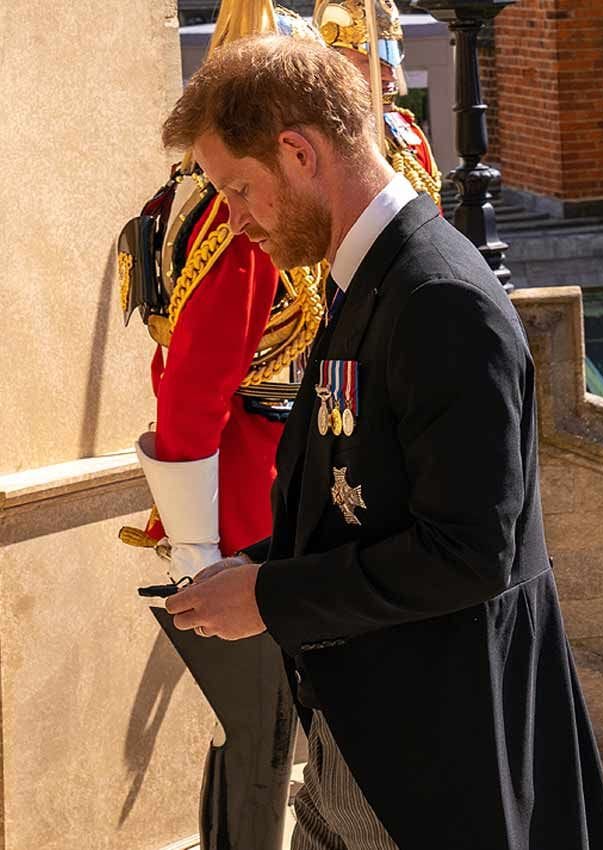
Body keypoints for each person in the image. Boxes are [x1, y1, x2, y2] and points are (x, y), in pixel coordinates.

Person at [161, 35, 603, 850]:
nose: (232, 221)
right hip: (367, 739)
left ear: (298, 153)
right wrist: (261, 565)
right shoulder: (369, 276)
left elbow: (470, 552)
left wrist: (270, 596)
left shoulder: (437, 297)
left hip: (431, 766)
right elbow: (367, 493)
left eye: (238, 189)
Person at [116, 7, 325, 849]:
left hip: (265, 490)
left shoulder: (211, 203)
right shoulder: (235, 227)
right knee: (264, 741)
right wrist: (201, 554)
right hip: (249, 512)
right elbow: (194, 394)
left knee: (264, 739)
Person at [313, 0, 441, 205]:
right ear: (334, 64)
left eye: (390, 59)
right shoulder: (317, 142)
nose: (389, 75)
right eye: (370, 60)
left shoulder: (408, 131)